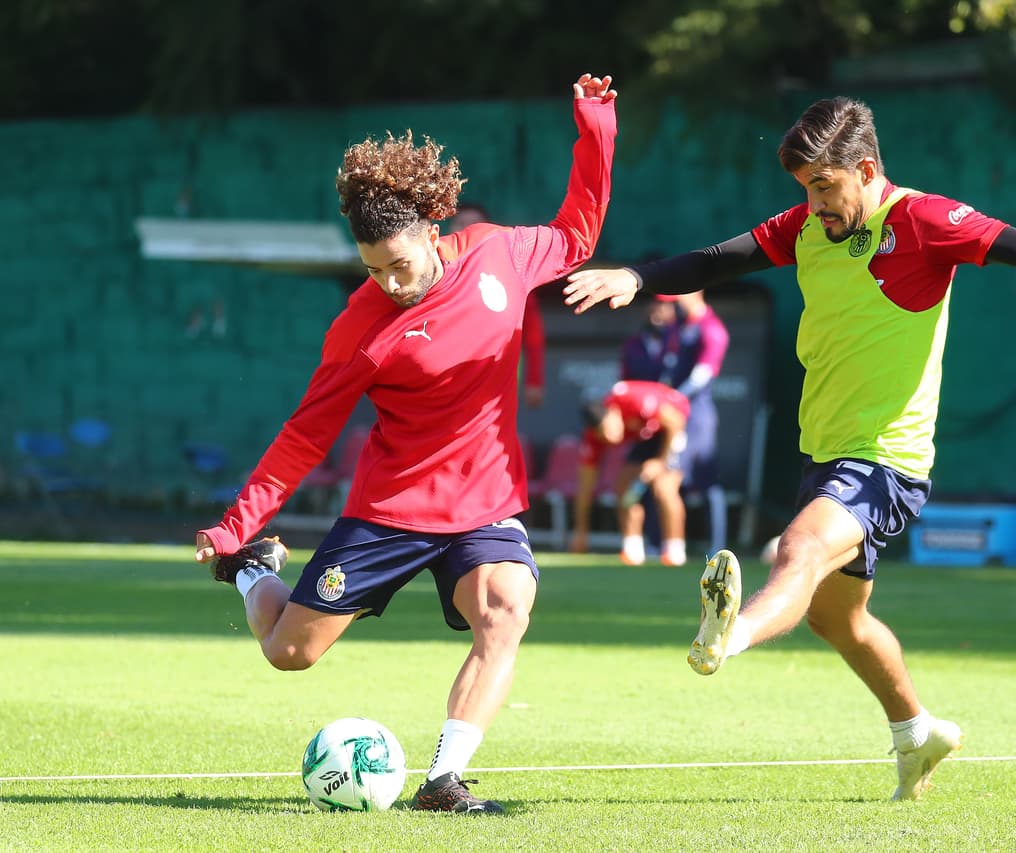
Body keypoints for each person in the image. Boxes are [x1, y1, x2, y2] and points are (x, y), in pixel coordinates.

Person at [561, 96, 1016, 800]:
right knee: (838, 617)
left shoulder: (924, 221)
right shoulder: (806, 226)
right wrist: (639, 277)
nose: (814, 204)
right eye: (805, 190)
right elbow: (719, 259)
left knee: (797, 550)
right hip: (825, 451)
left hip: (887, 456)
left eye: (825, 187)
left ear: (864, 168)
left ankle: (729, 634)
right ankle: (917, 732)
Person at [193, 73, 618, 815]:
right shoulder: (359, 328)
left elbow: (578, 232)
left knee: (506, 609)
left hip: (483, 498)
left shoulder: (499, 255)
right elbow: (303, 436)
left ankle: (443, 780)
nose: (390, 281)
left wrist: (597, 128)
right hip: (392, 507)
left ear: (431, 227)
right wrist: (236, 526)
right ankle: (248, 571)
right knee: (289, 651)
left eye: (400, 263)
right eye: (372, 269)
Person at [620, 291, 731, 550]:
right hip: (669, 418)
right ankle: (659, 545)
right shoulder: (676, 329)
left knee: (699, 483)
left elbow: (702, 374)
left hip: (695, 419)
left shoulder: (712, 329)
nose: (672, 303)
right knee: (659, 481)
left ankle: (716, 548)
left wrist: (670, 397)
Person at [571, 380, 691, 566]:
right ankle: (633, 551)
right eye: (603, 435)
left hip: (679, 426)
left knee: (663, 488)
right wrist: (581, 531)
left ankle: (675, 553)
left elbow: (675, 422)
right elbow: (586, 485)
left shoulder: (632, 399)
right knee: (624, 488)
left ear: (612, 412)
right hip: (649, 436)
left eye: (608, 429)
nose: (609, 438)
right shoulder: (593, 438)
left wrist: (660, 461)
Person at [449, 202, 548, 409]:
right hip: (445, 384)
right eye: (460, 224)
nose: (467, 231)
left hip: (495, 386)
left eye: (475, 225)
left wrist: (534, 380)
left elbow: (533, 335)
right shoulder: (434, 276)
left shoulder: (511, 275)